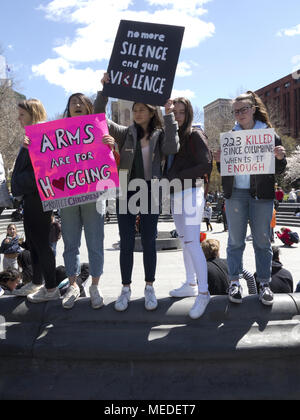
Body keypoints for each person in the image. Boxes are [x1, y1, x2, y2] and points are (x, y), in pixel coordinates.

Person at [95, 74, 179, 312]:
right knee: (127, 242)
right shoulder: (124, 132)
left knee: (150, 241)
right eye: (135, 109)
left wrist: (170, 115)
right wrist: (105, 90)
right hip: (125, 189)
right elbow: (99, 117)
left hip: (151, 190)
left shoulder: (160, 134)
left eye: (142, 109)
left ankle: (149, 287)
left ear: (152, 112)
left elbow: (173, 147)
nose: (138, 113)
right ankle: (125, 288)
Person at [214, 91, 287, 306]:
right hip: (236, 193)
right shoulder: (230, 135)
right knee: (235, 240)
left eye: (244, 109)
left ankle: (264, 283)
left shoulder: (268, 134)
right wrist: (219, 160)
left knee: (262, 241)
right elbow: (227, 169)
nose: (240, 114)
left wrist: (280, 157)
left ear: (253, 109)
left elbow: (280, 170)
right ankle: (234, 281)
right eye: (236, 111)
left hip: (261, 194)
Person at [165, 97, 213, 319]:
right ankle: (190, 282)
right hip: (176, 193)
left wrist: (177, 175)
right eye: (175, 112)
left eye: (182, 112)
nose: (178, 116)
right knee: (185, 241)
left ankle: (204, 293)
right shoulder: (172, 135)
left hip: (192, 191)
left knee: (193, 242)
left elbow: (206, 163)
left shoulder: (194, 133)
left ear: (189, 113)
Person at [59, 93, 105, 310]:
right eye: (72, 102)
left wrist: (110, 144)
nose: (76, 105)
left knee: (95, 242)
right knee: (70, 243)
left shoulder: (98, 128)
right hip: (67, 195)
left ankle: (95, 285)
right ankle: (73, 285)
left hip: (93, 193)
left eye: (80, 102)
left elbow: (109, 158)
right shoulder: (56, 133)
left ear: (88, 107)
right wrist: (31, 145)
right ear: (68, 108)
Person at [10, 99, 60, 302]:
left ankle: (51, 288)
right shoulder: (31, 136)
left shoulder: (40, 135)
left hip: (39, 197)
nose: (19, 118)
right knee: (33, 242)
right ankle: (38, 282)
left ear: (33, 113)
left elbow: (42, 170)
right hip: (31, 198)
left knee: (41, 242)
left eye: (22, 114)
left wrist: (21, 181)